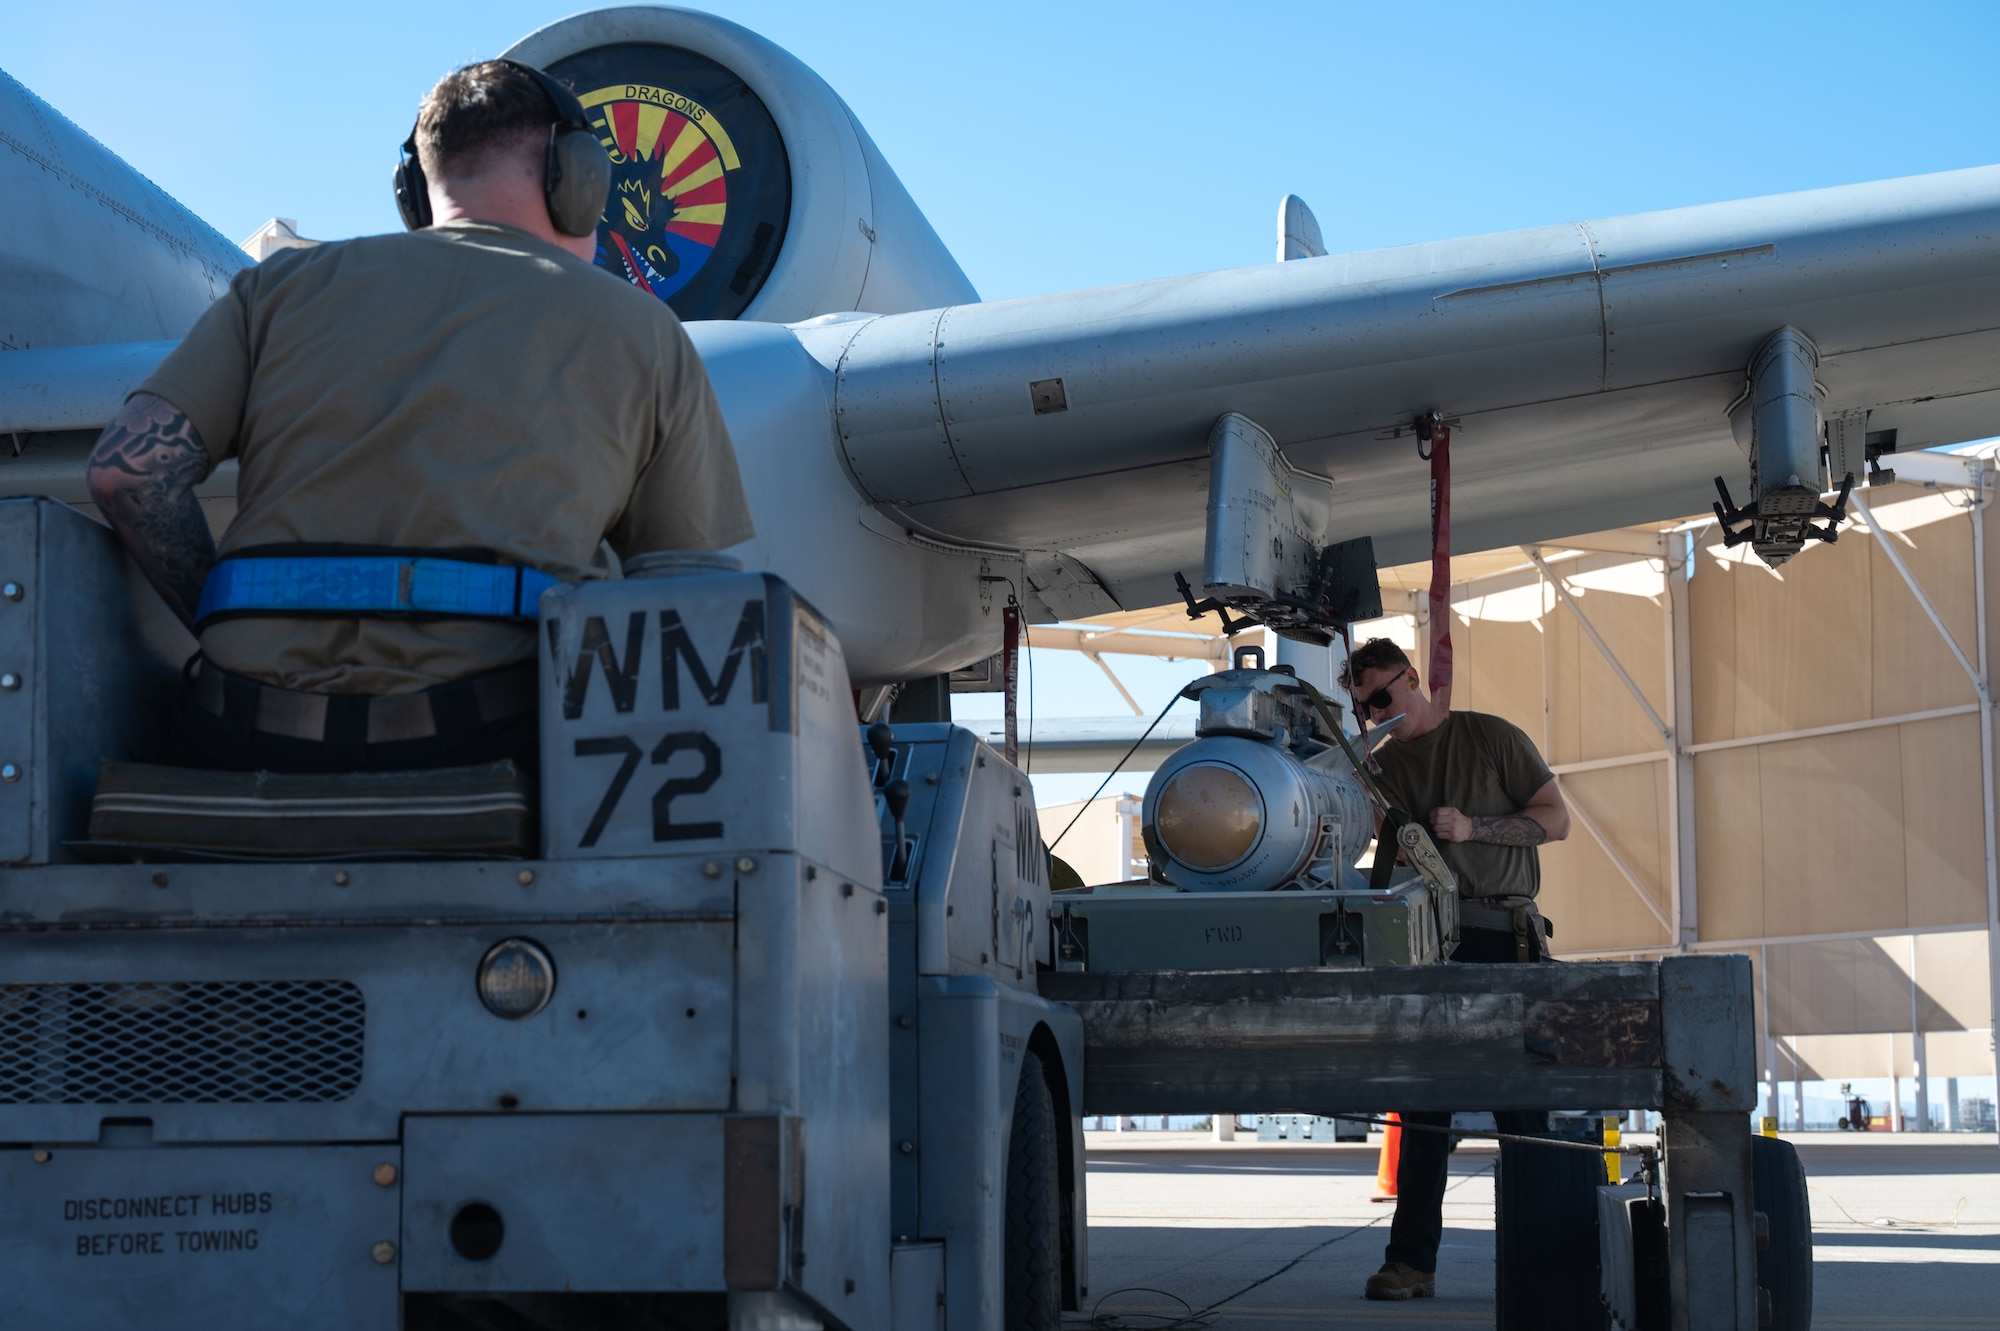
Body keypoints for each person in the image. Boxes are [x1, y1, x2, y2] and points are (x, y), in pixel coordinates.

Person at [85, 59, 752, 773]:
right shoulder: (641, 328)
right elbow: (684, 593)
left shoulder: (278, 289)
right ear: (579, 181)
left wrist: (224, 622)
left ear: (413, 191)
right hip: (494, 743)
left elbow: (129, 472)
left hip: (248, 729)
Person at [1339, 637, 1571, 1303]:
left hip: (1503, 937)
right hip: (1425, 944)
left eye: (1383, 695)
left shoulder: (1489, 738)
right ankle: (1411, 1261)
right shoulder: (1377, 770)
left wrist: (1475, 828)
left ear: (1414, 678)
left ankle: (1546, 1258)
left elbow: (1557, 820)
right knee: (1422, 1113)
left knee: (1524, 1114)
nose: (1376, 712)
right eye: (1362, 707)